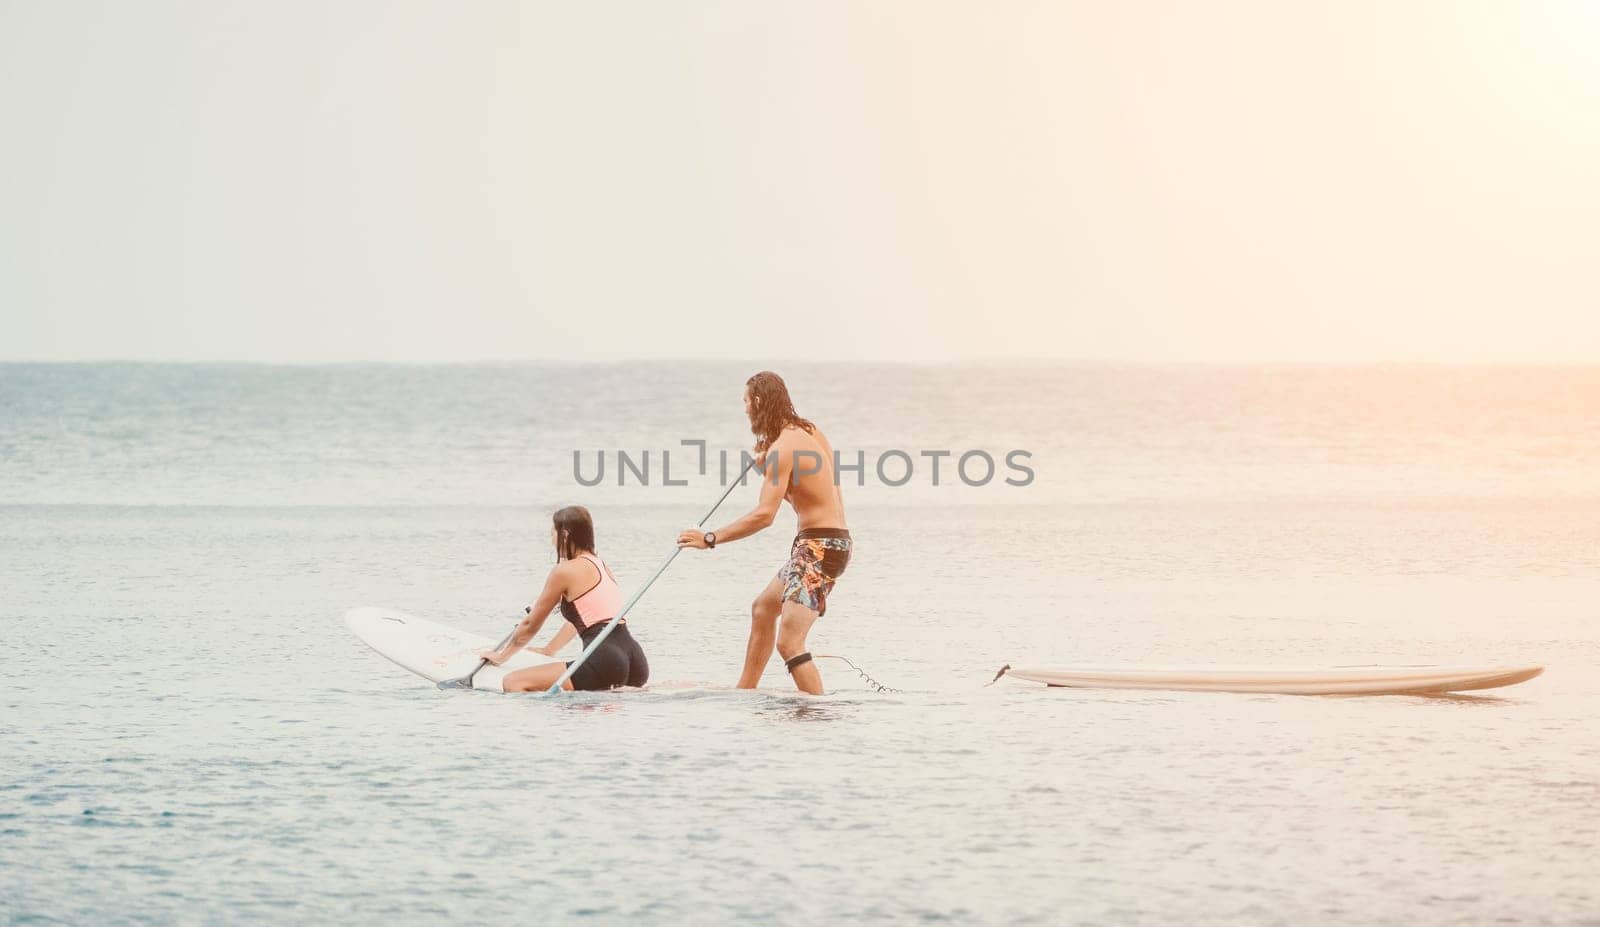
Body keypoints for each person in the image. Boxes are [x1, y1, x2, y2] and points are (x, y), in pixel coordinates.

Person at [677, 371, 850, 695]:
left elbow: (763, 516)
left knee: (790, 643)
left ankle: (819, 715)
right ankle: (746, 690)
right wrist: (771, 466)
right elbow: (818, 484)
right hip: (828, 542)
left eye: (745, 401)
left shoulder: (781, 449)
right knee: (762, 609)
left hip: (819, 547)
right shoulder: (809, 431)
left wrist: (710, 538)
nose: (744, 409)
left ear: (757, 402)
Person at [478, 505, 649, 692]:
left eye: (552, 533)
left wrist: (503, 656)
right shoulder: (600, 565)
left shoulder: (564, 571)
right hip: (634, 658)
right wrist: (550, 649)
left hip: (605, 659)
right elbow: (586, 618)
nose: (552, 540)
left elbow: (530, 625)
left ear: (565, 535)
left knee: (514, 682)